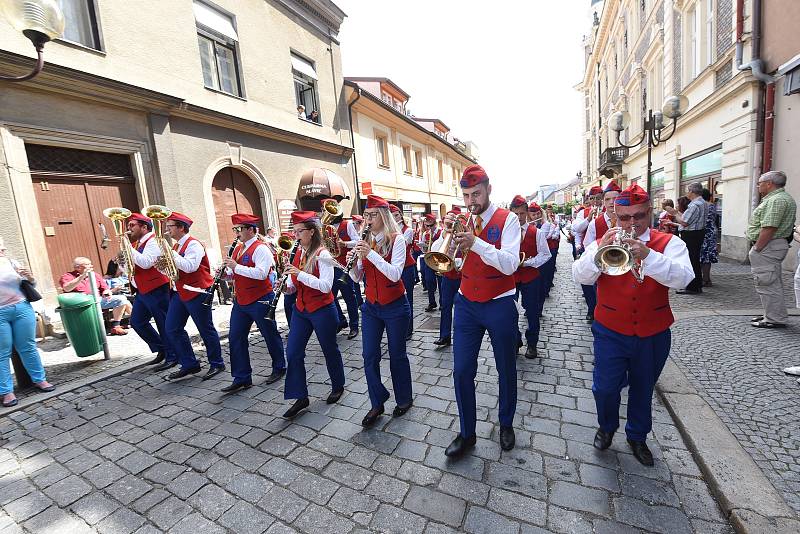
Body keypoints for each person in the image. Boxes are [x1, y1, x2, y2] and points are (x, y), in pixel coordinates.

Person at [572, 184, 694, 466]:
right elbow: (581, 276)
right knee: (604, 387)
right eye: (624, 217)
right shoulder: (602, 239)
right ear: (614, 214)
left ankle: (637, 436)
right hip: (610, 330)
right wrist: (598, 252)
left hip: (653, 332)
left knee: (643, 387)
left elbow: (684, 279)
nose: (631, 223)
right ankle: (606, 425)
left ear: (649, 212)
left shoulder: (669, 243)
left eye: (638, 216)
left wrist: (648, 255)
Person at [445, 165, 520, 457]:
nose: (471, 201)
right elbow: (453, 264)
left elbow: (510, 264)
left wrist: (476, 243)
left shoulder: (508, 219)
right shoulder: (462, 220)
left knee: (505, 367)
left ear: (489, 189)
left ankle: (506, 422)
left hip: (500, 302)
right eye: (466, 195)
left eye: (476, 194)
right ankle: (467, 433)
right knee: (462, 370)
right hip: (466, 304)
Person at [349, 195, 413, 427]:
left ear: (383, 216)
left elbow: (396, 273)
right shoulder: (365, 241)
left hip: (395, 305)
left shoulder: (397, 240)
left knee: (397, 355)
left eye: (372, 215)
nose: (367, 220)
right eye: (366, 216)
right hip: (372, 307)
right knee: (369, 355)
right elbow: (357, 278)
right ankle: (377, 401)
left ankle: (404, 398)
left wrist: (370, 254)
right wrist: (354, 264)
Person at [281, 211, 346, 418]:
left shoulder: (323, 255)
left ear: (311, 232)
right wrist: (286, 287)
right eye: (295, 231)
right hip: (301, 309)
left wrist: (300, 274)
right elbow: (293, 285)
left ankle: (338, 385)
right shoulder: (297, 252)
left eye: (300, 231)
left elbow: (326, 286)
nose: (296, 235)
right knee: (293, 352)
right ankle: (300, 396)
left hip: (322, 309)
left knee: (329, 349)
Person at [222, 214, 287, 392]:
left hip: (260, 298)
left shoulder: (261, 249)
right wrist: (225, 274)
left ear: (251, 230)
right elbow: (236, 274)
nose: (236, 233)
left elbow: (261, 273)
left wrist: (235, 267)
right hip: (241, 300)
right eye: (235, 229)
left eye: (239, 229)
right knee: (235, 337)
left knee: (269, 334)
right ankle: (242, 377)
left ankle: (279, 367)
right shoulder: (238, 248)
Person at [162, 212, 225, 380]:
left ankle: (217, 363)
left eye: (170, 227)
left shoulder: (193, 245)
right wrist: (161, 265)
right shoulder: (176, 247)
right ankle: (189, 363)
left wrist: (170, 254)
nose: (167, 230)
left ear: (181, 228)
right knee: (172, 328)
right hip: (179, 291)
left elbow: (190, 266)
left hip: (197, 291)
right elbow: (173, 270)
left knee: (205, 328)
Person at [0, 238, 55, 408]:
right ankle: (6, 391)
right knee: (2, 352)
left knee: (28, 346)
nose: (2, 250)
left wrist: (30, 277)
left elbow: (30, 284)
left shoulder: (11, 262)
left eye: (3, 246)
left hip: (22, 308)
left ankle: (40, 380)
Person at [126, 212, 178, 369]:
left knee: (163, 322)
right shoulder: (138, 243)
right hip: (143, 289)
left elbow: (146, 263)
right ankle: (161, 348)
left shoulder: (153, 241)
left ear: (144, 226)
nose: (128, 229)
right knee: (137, 322)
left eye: (132, 225)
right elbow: (133, 267)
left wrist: (127, 247)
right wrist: (124, 261)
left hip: (157, 288)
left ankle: (173, 355)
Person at [746, 171, 797, 328]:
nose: (758, 185)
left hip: (768, 246)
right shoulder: (778, 198)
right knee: (770, 282)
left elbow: (769, 227)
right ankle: (773, 314)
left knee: (767, 283)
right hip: (771, 246)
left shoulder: (776, 200)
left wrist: (757, 248)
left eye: (760, 182)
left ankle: (775, 318)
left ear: (769, 184)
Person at [512, 200, 550, 358]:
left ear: (527, 213)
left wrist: (528, 262)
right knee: (510, 311)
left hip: (530, 277)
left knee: (533, 312)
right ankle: (515, 341)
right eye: (515, 214)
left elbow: (546, 254)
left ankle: (532, 344)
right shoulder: (507, 233)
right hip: (511, 278)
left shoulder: (537, 233)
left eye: (521, 213)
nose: (519, 217)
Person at [60, 257, 131, 335]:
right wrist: (82, 276)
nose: (91, 266)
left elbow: (105, 288)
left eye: (91, 264)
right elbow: (67, 288)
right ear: (78, 267)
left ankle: (116, 327)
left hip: (97, 300)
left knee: (121, 299)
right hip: (81, 304)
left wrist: (107, 292)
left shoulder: (95, 275)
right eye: (88, 264)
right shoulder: (68, 276)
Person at [325, 202, 360, 340]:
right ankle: (341, 321)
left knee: (349, 297)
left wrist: (344, 244)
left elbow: (357, 241)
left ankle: (354, 326)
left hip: (345, 266)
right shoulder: (325, 228)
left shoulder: (348, 224)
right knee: (330, 297)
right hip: (331, 266)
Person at [664, 182, 706, 294]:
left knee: (691, 260)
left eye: (688, 190)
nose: (687, 193)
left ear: (692, 192)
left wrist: (674, 213)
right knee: (694, 259)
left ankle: (693, 286)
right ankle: (697, 284)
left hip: (691, 235)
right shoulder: (702, 202)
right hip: (698, 233)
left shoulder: (695, 204)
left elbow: (684, 221)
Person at [432, 207, 464, 348]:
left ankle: (461, 336)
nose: (451, 224)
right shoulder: (444, 234)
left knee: (461, 308)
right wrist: (445, 232)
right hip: (448, 275)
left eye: (453, 221)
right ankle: (444, 336)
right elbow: (435, 250)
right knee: (445, 306)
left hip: (464, 276)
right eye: (449, 221)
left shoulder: (465, 232)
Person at [572, 186, 604, 321]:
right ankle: (592, 308)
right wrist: (588, 219)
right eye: (592, 198)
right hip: (589, 249)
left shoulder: (610, 210)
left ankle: (602, 307)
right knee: (587, 282)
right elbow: (576, 229)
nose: (595, 201)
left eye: (598, 198)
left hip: (607, 251)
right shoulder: (583, 213)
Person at [390, 204, 417, 340]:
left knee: (408, 299)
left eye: (396, 215)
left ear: (400, 215)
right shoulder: (388, 230)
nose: (395, 218)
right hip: (394, 268)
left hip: (407, 267)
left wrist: (393, 228)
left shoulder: (408, 230)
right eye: (392, 216)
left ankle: (409, 329)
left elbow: (403, 244)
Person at [418, 214, 441, 311]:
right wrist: (424, 246)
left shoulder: (441, 233)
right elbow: (423, 249)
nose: (429, 228)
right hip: (428, 258)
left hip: (438, 259)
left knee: (440, 282)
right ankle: (432, 302)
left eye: (431, 226)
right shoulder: (425, 234)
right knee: (429, 281)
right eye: (427, 226)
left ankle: (442, 303)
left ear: (435, 224)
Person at [699, 189, 718, 287]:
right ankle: (706, 278)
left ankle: (705, 279)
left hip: (706, 233)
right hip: (711, 232)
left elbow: (703, 221)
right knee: (706, 257)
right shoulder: (712, 205)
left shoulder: (704, 205)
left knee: (704, 256)